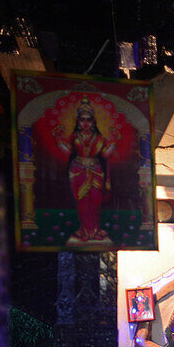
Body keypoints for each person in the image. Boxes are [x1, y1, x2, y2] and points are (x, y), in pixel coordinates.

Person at [55, 97, 116, 245]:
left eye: (89, 120)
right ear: (78, 121)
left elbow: (106, 154)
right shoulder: (75, 136)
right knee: (82, 202)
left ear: (93, 122)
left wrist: (114, 141)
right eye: (82, 120)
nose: (86, 123)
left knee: (95, 201)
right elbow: (68, 151)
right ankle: (84, 231)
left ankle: (94, 231)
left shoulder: (99, 137)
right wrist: (58, 139)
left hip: (96, 171)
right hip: (78, 171)